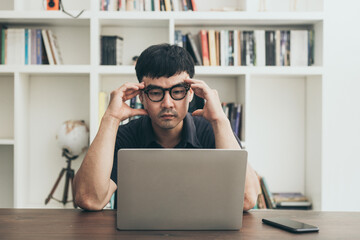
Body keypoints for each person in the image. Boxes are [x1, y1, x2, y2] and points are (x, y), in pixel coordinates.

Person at [73, 43, 260, 211]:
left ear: (191, 94)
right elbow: (89, 199)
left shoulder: (212, 131)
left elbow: (246, 200)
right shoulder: (125, 135)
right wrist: (111, 118)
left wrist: (220, 120)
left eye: (177, 91)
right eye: (155, 92)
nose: (167, 103)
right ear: (142, 97)